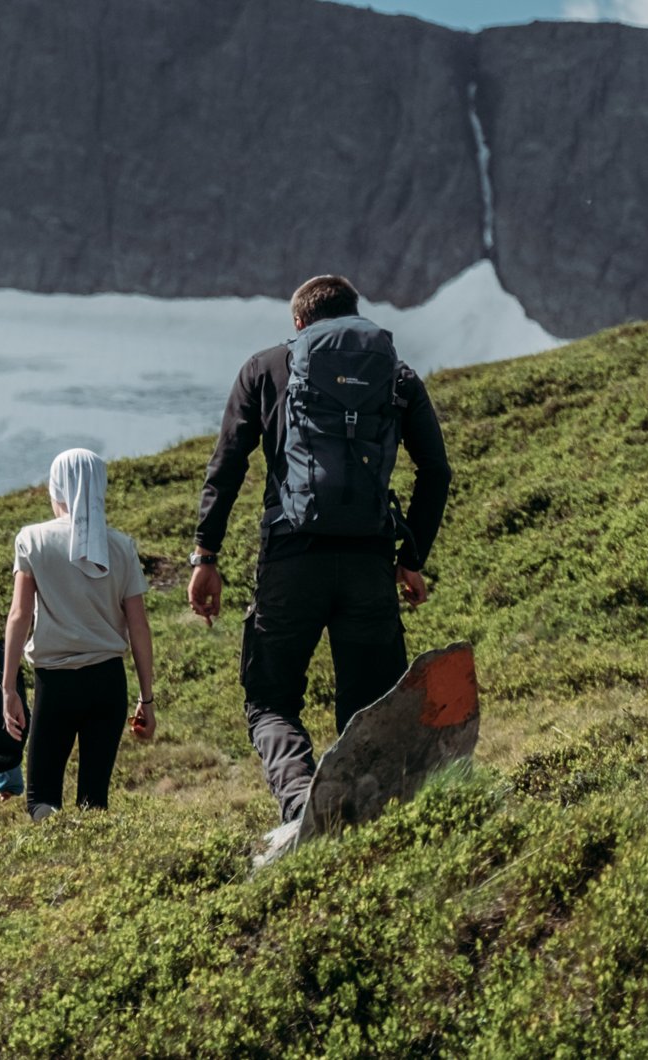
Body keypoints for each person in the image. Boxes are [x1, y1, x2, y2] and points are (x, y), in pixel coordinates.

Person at [188, 275, 454, 831]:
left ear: (299, 323)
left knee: (270, 699)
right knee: (369, 705)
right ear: (355, 313)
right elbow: (435, 469)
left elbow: (227, 465)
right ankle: (366, 817)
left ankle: (301, 807)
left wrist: (206, 556)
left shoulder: (266, 368)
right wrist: (411, 558)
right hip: (369, 564)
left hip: (291, 561)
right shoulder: (396, 375)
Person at [1, 449, 158, 822]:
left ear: (56, 487)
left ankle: (53, 856)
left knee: (41, 799)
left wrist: (8, 688)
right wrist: (147, 698)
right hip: (108, 681)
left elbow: (20, 615)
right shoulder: (122, 546)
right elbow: (138, 626)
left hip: (55, 683)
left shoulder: (32, 539)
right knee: (94, 801)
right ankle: (92, 855)